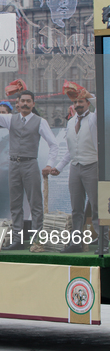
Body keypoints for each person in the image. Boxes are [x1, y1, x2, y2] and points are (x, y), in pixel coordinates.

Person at [0, 86, 58, 250]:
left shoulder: (40, 122)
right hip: (14, 164)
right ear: (18, 103)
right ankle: (17, 238)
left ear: (32, 104)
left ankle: (37, 239)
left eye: (28, 101)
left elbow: (54, 144)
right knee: (15, 204)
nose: (25, 104)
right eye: (22, 101)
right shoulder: (11, 119)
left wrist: (49, 164)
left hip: (30, 163)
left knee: (35, 203)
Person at [50, 83, 108, 254]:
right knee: (76, 208)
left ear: (87, 104)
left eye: (81, 102)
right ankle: (76, 242)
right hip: (76, 167)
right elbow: (70, 149)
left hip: (93, 165)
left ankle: (103, 242)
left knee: (97, 206)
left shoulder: (94, 117)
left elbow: (101, 105)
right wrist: (59, 167)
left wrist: (89, 94)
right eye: (75, 103)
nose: (78, 105)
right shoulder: (71, 122)